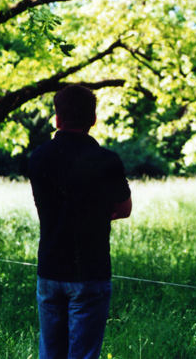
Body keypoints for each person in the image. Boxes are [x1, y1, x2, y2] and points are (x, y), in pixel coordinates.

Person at [29, 85, 132, 358]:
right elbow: (124, 208)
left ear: (57, 119)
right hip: (91, 270)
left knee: (50, 353)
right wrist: (97, 213)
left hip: (50, 268)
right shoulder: (107, 161)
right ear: (93, 119)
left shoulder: (38, 158)